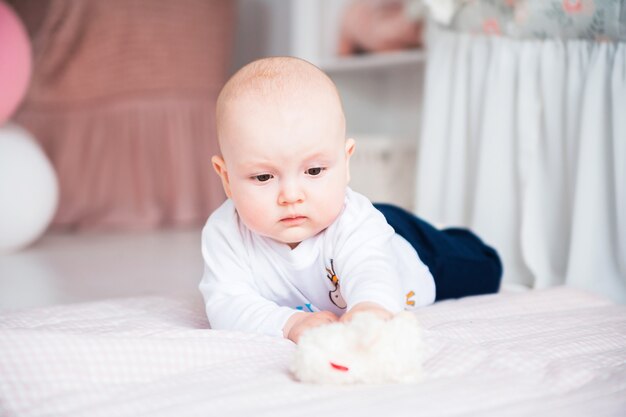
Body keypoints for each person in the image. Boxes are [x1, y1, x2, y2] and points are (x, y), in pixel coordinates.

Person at [199, 56, 502, 343]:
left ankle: (443, 234)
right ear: (226, 177)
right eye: (264, 177)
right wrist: (289, 324)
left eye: (314, 170)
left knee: (484, 270)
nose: (291, 196)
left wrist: (370, 308)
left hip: (411, 250)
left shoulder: (357, 224)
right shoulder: (226, 233)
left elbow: (370, 269)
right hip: (345, 216)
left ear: (345, 163)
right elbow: (227, 303)